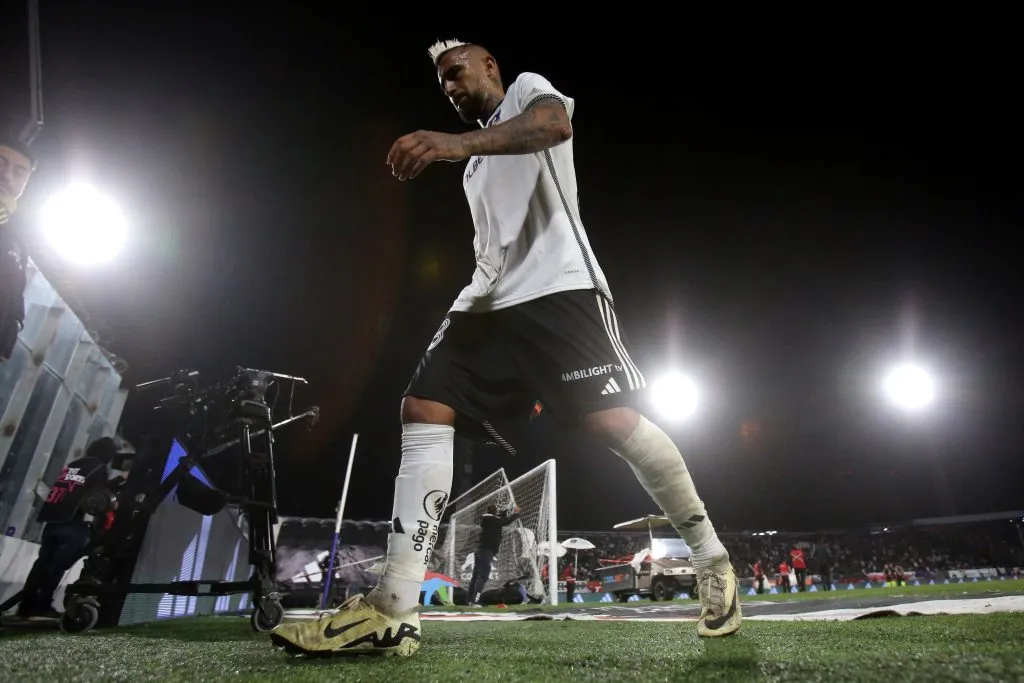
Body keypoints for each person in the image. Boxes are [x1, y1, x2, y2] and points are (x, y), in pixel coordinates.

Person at [270, 39, 741, 657]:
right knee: (422, 407)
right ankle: (394, 605)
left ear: (489, 65)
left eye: (456, 73)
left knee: (612, 421)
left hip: (559, 290)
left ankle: (712, 560)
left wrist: (452, 139)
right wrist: (518, 370)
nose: (450, 88)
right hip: (488, 305)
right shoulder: (473, 167)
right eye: (441, 84)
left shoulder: (526, 91)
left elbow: (554, 124)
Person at [16, 437, 117, 619]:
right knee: (56, 567)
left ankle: (26, 605)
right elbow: (95, 499)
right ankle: (42, 606)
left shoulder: (75, 464)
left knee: (42, 564)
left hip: (53, 519)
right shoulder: (98, 468)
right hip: (73, 522)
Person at [0, 132, 35, 362]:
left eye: (19, 172)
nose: (6, 175)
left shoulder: (17, 240)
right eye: (1, 163)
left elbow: (14, 298)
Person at [468, 503, 520, 604]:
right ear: (494, 512)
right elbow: (506, 521)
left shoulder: (487, 520)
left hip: (480, 551)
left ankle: (470, 600)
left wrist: (505, 511)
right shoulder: (493, 521)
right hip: (486, 551)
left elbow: (499, 518)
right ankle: (475, 601)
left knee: (476, 576)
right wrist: (516, 513)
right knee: (483, 576)